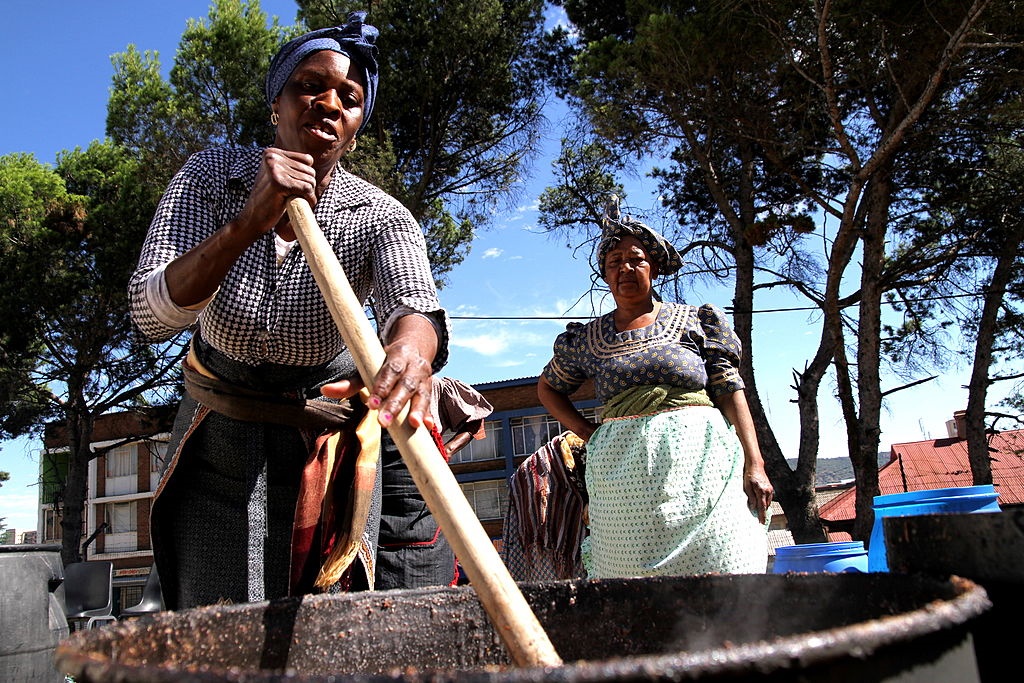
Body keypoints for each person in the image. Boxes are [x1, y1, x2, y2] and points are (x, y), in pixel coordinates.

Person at [128, 13, 449, 609]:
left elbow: (416, 308)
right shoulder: (210, 177)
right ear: (276, 102)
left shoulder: (380, 215)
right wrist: (248, 221)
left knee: (327, 630)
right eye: (309, 85)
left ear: (356, 128)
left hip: (322, 446)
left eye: (349, 99)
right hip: (219, 437)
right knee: (221, 632)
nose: (329, 104)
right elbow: (151, 316)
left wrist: (409, 351)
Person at [537, 198, 773, 579]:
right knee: (628, 572)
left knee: (720, 559)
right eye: (614, 262)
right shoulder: (587, 339)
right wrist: (585, 431)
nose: (625, 269)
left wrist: (755, 463)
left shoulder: (695, 320)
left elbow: (730, 389)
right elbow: (548, 389)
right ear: (604, 273)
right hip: (621, 475)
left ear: (655, 267)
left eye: (636, 259)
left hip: (702, 464)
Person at [375, 376, 493, 590]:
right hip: (373, 494)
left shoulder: (434, 385)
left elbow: (475, 418)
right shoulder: (360, 384)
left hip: (422, 503)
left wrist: (446, 451)